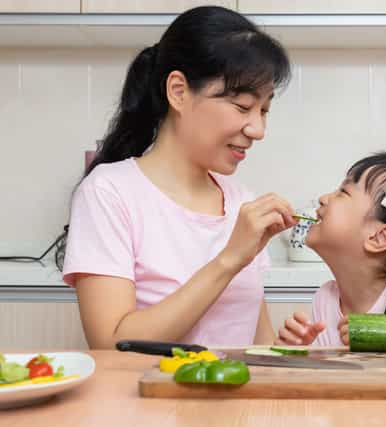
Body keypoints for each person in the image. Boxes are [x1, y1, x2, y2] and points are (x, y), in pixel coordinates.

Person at [62, 6, 296, 349]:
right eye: (244, 106)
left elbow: (255, 344)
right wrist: (228, 260)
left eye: (264, 110)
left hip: (235, 401)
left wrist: (286, 351)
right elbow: (112, 345)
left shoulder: (241, 201)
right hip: (145, 401)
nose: (258, 129)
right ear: (179, 92)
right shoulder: (109, 192)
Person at [276, 151, 386, 346]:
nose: (324, 198)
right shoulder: (325, 299)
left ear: (379, 237)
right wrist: (298, 352)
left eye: (343, 193)